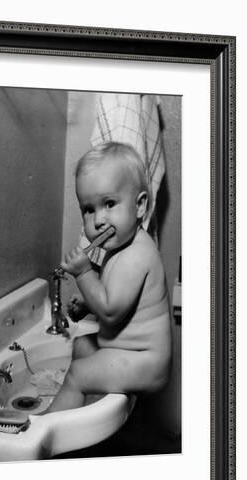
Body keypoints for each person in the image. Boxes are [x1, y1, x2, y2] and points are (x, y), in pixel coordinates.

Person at [45, 142, 172, 413]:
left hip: (144, 361)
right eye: (89, 209)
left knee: (78, 374)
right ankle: (78, 409)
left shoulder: (137, 254)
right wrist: (87, 302)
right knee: (81, 346)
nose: (99, 220)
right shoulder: (119, 248)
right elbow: (116, 296)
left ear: (139, 206)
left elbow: (112, 311)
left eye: (109, 204)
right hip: (128, 353)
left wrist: (83, 273)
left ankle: (45, 426)